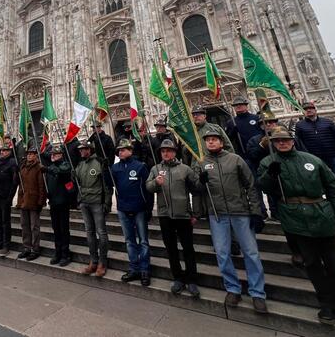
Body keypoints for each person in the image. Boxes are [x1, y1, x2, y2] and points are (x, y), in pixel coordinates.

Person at [257, 128, 335, 331]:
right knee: (312, 263)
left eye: (285, 140)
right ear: (273, 143)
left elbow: (333, 185)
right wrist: (270, 175)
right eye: (278, 141)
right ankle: (325, 303)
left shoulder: (312, 160)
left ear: (293, 141)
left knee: (334, 265)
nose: (282, 143)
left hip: (321, 215)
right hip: (295, 217)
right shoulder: (268, 162)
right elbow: (263, 186)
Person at [196, 131, 268, 313]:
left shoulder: (235, 159)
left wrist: (256, 211)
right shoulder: (202, 163)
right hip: (217, 214)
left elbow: (250, 185)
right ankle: (233, 288)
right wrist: (200, 182)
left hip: (240, 212)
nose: (210, 142)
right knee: (222, 253)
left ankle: (257, 293)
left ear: (221, 141)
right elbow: (197, 189)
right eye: (208, 140)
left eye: (214, 139)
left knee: (251, 252)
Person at [146, 139, 201, 297]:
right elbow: (148, 187)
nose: (166, 153)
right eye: (163, 151)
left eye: (168, 150)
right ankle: (178, 278)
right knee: (171, 249)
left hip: (183, 215)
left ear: (174, 152)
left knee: (188, 249)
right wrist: (156, 183)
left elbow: (196, 189)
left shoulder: (185, 169)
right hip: (165, 215)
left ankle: (192, 280)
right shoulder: (156, 169)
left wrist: (195, 213)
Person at [111, 139, 152, 286]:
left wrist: (148, 208)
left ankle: (145, 269)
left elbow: (148, 189)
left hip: (139, 208)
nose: (121, 152)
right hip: (123, 208)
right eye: (119, 150)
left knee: (143, 241)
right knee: (129, 241)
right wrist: (104, 171)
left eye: (123, 149)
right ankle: (134, 268)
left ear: (130, 150)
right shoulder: (115, 168)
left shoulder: (140, 166)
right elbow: (111, 185)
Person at [74, 141, 112, 277]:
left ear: (90, 149)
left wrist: (107, 203)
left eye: (84, 149)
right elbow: (77, 184)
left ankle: (102, 262)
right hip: (84, 202)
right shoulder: (80, 164)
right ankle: (93, 261)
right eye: (80, 150)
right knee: (89, 232)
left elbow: (107, 186)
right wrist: (78, 199)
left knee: (101, 233)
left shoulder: (99, 163)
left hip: (97, 202)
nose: (82, 152)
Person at [44, 144, 75, 266]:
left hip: (63, 202)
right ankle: (57, 252)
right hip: (53, 202)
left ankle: (65, 253)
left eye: (55, 154)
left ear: (61, 155)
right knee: (56, 229)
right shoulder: (51, 166)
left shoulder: (65, 164)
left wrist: (47, 169)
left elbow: (61, 171)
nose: (53, 156)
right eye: (52, 154)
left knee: (63, 229)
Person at [16, 146, 47, 260]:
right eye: (28, 154)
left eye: (32, 154)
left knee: (34, 227)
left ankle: (35, 249)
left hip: (34, 201)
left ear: (36, 156)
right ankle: (26, 248)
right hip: (24, 200)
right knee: (25, 226)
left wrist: (41, 202)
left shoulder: (39, 167)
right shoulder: (23, 167)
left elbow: (41, 186)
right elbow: (20, 184)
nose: (30, 155)